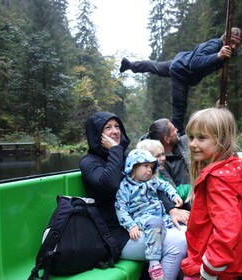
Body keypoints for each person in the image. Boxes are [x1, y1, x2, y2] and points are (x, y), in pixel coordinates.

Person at [79, 112, 188, 280]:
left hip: (145, 221)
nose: (115, 131)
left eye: (117, 126)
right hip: (118, 234)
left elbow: (153, 182)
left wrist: (171, 208)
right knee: (178, 243)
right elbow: (112, 184)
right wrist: (116, 150)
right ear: (96, 134)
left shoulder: (126, 156)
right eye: (107, 128)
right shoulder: (89, 163)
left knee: (190, 233)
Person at [120, 27, 242, 135]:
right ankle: (177, 133)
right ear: (224, 39)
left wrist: (222, 94)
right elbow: (195, 63)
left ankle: (130, 65)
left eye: (237, 44)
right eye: (231, 42)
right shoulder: (213, 46)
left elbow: (222, 73)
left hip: (180, 61)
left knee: (156, 66)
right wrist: (217, 56)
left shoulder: (228, 52)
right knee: (180, 104)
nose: (233, 46)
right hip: (182, 71)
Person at [181, 108, 242, 279]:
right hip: (231, 264)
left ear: (221, 139)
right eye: (191, 137)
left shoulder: (217, 180)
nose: (192, 143)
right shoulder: (233, 168)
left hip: (214, 269)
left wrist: (208, 271)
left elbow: (227, 230)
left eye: (201, 137)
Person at [116, 149, 183, 280]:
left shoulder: (152, 181)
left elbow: (165, 185)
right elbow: (120, 208)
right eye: (145, 166)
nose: (149, 170)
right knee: (154, 225)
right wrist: (131, 226)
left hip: (161, 216)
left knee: (181, 226)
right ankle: (154, 264)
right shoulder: (125, 187)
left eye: (151, 167)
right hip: (142, 218)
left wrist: (174, 195)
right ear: (133, 166)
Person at [146, 118, 191, 202]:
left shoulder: (183, 142)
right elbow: (173, 192)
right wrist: (197, 186)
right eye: (174, 130)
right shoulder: (158, 164)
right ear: (167, 139)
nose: (177, 130)